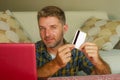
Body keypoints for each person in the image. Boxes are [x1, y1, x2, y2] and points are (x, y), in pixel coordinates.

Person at [35, 6, 111, 78]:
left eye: (53, 27)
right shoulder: (33, 51)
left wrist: (98, 62)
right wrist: (56, 63)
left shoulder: (76, 51)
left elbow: (105, 77)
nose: (47, 34)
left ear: (64, 29)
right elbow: (25, 76)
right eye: (42, 28)